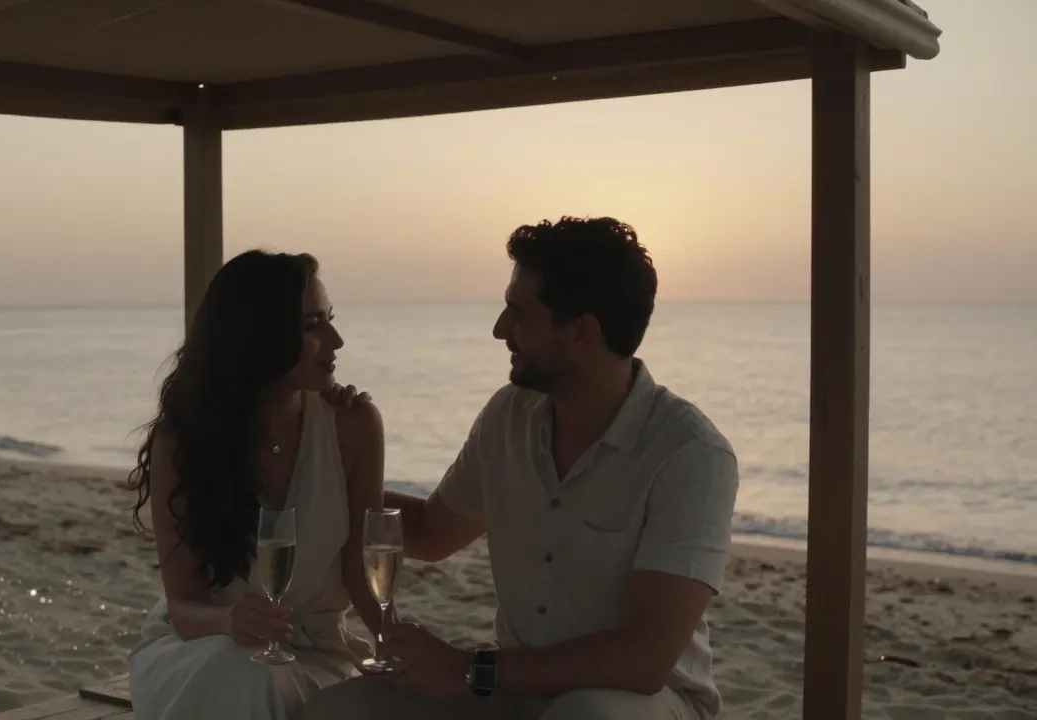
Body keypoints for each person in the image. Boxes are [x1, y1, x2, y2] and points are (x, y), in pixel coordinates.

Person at [303, 216, 740, 720]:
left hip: (642, 701)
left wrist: (469, 670)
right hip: (511, 686)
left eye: (519, 313)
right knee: (338, 710)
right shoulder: (508, 417)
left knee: (588, 715)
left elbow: (643, 661)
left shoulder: (689, 454)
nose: (500, 330)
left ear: (583, 331)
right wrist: (322, 473)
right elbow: (429, 532)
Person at [126, 249, 385, 720]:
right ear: (259, 336)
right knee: (246, 673)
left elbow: (360, 574)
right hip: (202, 651)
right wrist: (230, 620)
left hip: (316, 655)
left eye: (329, 320)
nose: (336, 340)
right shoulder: (184, 442)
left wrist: (396, 642)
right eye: (311, 326)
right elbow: (183, 607)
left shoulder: (353, 425)